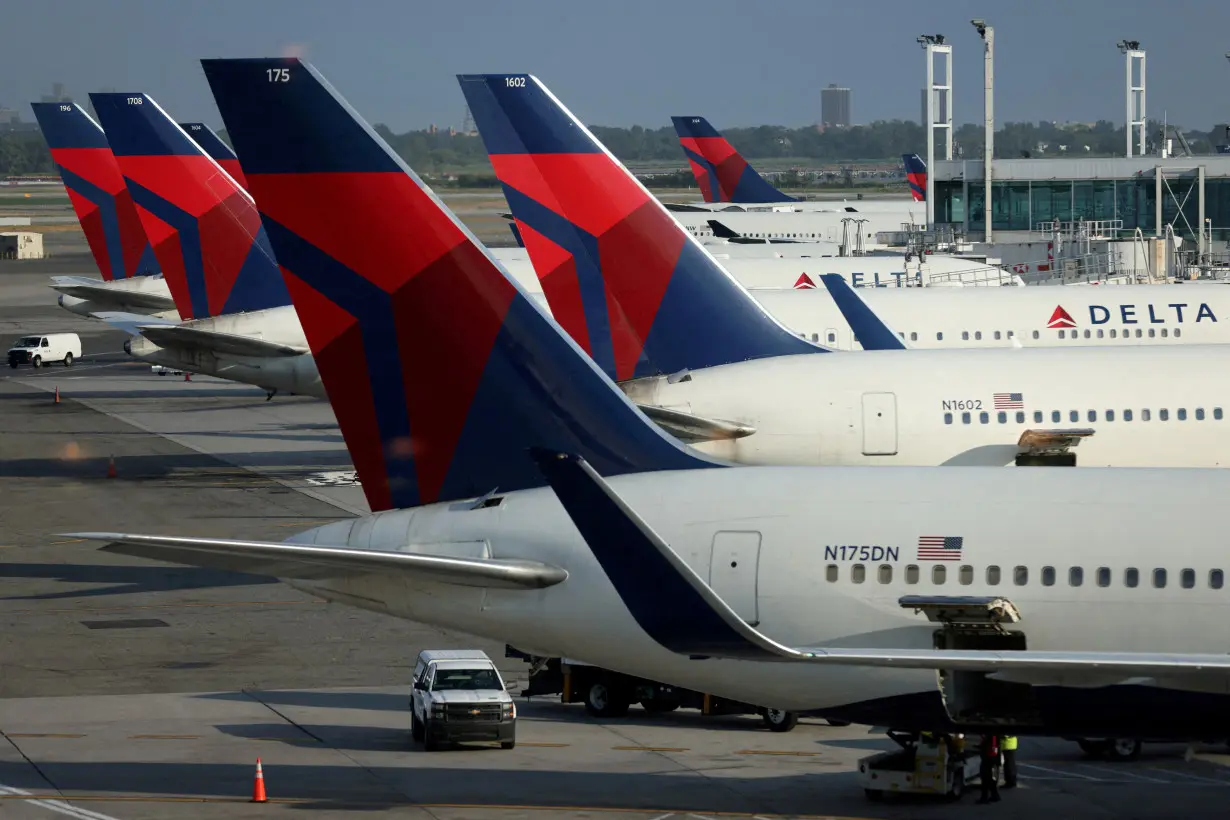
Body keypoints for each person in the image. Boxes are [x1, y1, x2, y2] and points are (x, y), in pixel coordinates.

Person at [977, 734, 1001, 803]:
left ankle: (984, 798)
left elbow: (993, 747)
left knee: (985, 778)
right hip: (993, 759)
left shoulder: (993, 735)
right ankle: (995, 795)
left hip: (989, 759)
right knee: (993, 778)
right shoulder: (994, 735)